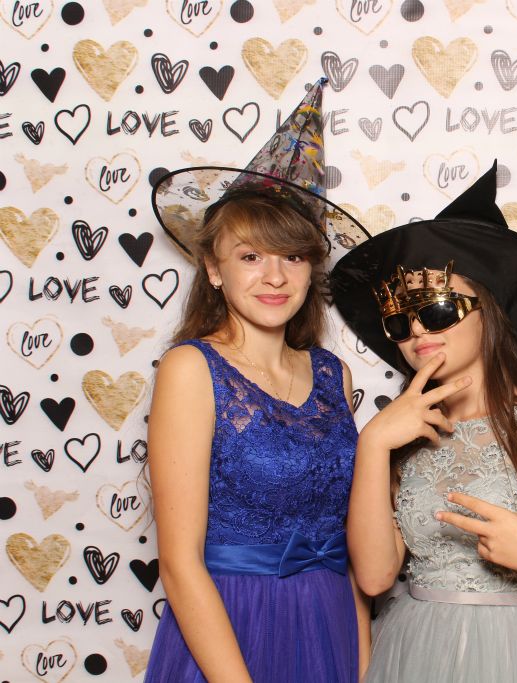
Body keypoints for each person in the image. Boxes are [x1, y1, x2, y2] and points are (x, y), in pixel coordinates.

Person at [331, 163, 517, 683]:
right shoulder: (401, 435)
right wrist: (373, 444)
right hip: (415, 653)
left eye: (437, 310)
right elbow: (375, 578)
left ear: (490, 309)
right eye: (400, 320)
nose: (418, 331)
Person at [145, 79, 371, 682]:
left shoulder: (333, 373)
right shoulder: (192, 369)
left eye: (293, 256)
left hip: (328, 622)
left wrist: (363, 664)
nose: (275, 277)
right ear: (214, 269)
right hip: (232, 628)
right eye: (251, 257)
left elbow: (344, 547)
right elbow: (179, 563)